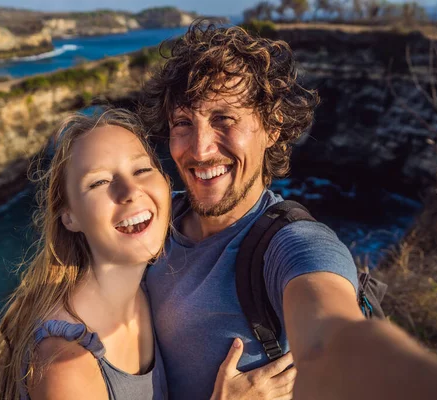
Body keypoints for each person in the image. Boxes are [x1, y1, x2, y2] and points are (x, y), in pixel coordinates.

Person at [140, 22, 364, 399]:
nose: (199, 150)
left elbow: (343, 340)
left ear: (272, 126)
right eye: (183, 123)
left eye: (223, 119)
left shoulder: (291, 245)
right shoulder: (153, 219)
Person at [0, 109, 172, 399]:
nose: (130, 190)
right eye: (99, 182)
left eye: (141, 170)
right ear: (69, 217)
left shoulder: (148, 290)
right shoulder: (66, 364)